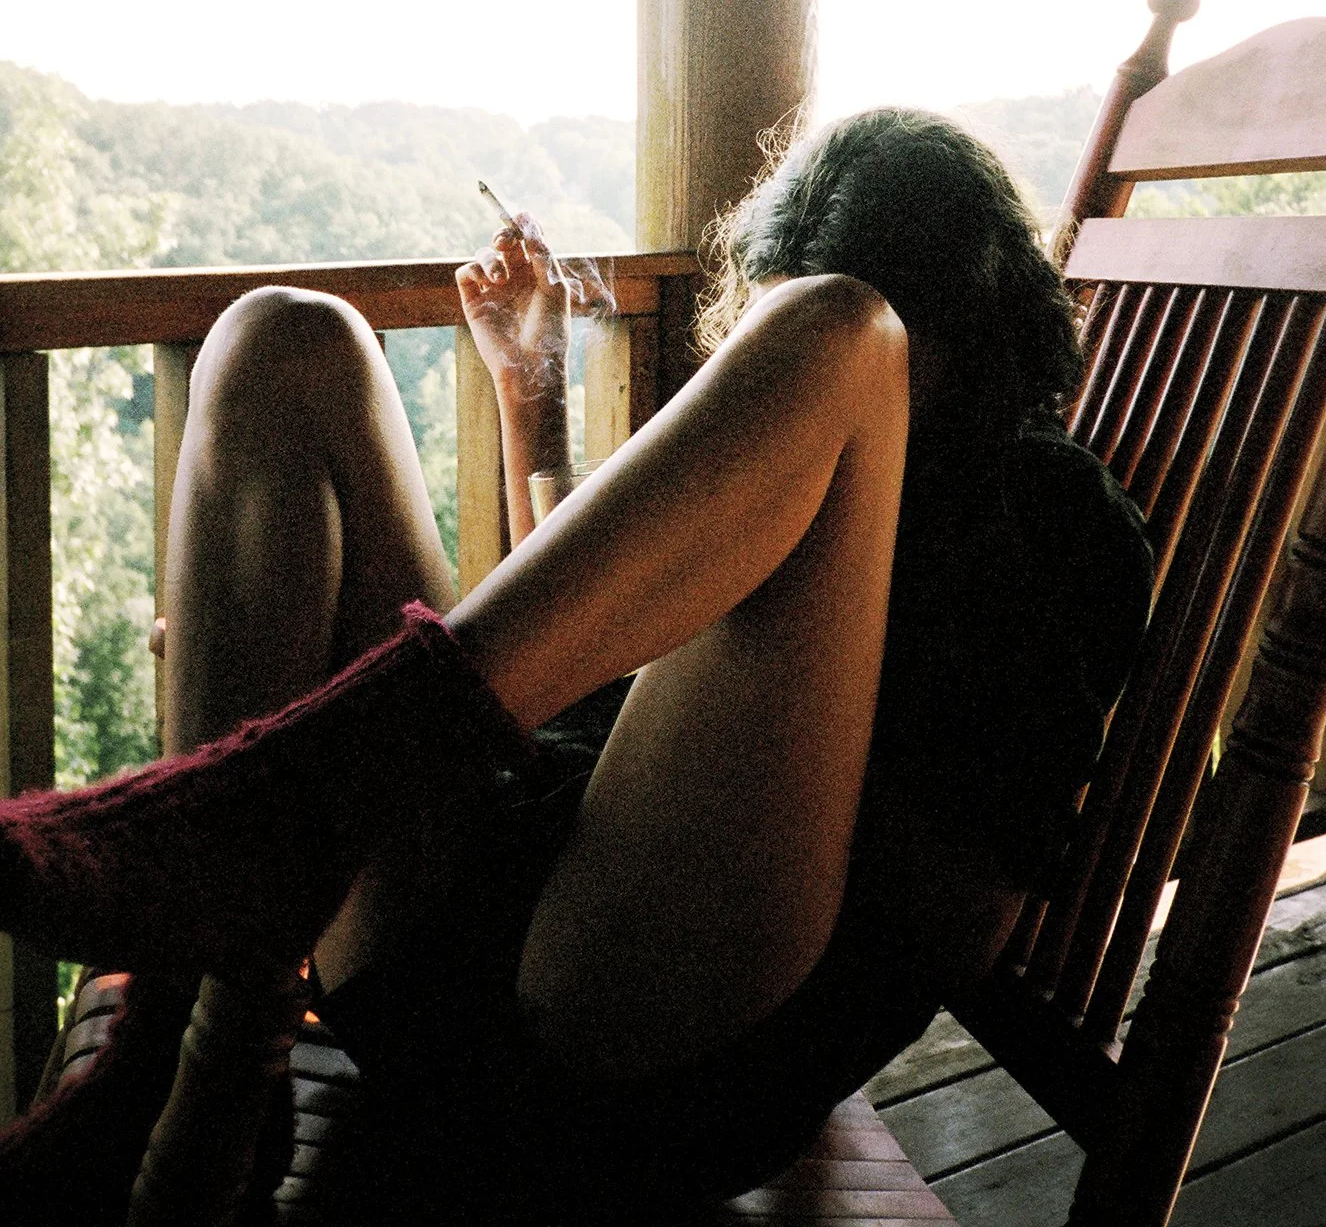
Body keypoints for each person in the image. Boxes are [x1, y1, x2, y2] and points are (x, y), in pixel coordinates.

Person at [0, 108, 1153, 1226]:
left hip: (648, 1046)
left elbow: (947, 920)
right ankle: (200, 1045)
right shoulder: (769, 472)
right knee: (283, 334)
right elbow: (607, 667)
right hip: (442, 946)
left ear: (977, 319)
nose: (785, 338)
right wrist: (533, 398)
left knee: (839, 329)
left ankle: (281, 799)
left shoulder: (1043, 510)